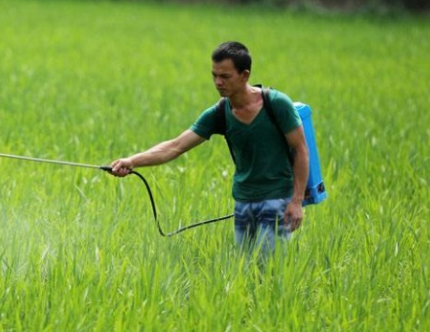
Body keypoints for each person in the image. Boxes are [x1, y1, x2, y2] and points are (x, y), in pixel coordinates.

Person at [110, 41, 309, 256]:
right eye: (214, 75)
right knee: (246, 270)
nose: (218, 82)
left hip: (277, 199)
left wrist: (296, 201)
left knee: (268, 271)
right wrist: (132, 161)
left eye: (225, 77)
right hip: (243, 200)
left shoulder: (277, 104)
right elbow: (175, 147)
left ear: (244, 75)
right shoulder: (219, 112)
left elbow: (301, 150)